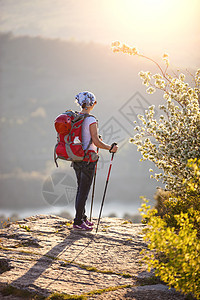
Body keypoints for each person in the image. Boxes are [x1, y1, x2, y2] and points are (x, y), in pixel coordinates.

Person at [72, 91, 118, 231]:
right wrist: (110, 148)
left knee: (81, 189)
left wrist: (94, 139)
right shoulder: (91, 119)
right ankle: (78, 221)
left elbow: (89, 138)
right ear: (92, 104)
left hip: (76, 157)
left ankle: (83, 217)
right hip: (87, 159)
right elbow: (97, 142)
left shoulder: (76, 117)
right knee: (83, 191)